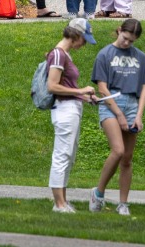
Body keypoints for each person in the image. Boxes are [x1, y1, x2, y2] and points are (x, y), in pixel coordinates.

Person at [89, 19, 145, 216]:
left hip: (132, 103)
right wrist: (119, 114)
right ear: (119, 31)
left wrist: (138, 116)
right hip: (111, 102)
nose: (127, 43)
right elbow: (102, 88)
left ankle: (123, 203)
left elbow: (143, 88)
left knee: (127, 158)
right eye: (125, 38)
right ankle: (98, 193)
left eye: (131, 41)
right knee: (117, 150)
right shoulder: (105, 54)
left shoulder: (140, 57)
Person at [47, 18, 99, 213]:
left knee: (68, 156)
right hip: (64, 110)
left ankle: (63, 201)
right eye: (84, 39)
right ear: (75, 35)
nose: (84, 43)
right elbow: (52, 86)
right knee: (62, 155)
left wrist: (84, 97)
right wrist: (80, 91)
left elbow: (65, 86)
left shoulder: (64, 55)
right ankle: (58, 204)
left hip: (71, 107)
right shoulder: (59, 55)